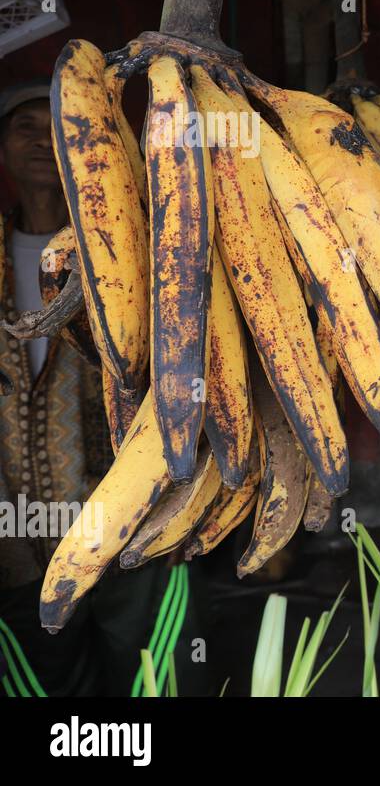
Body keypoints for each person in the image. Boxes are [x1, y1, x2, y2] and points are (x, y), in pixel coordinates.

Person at [0, 80, 207, 696]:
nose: (42, 141)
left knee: (153, 682)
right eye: (24, 126)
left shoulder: (140, 243)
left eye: (58, 127)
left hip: (134, 524)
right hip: (16, 540)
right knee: (41, 689)